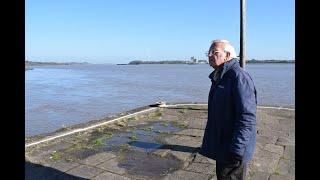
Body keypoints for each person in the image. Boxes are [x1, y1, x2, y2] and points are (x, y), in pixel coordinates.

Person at [200, 39, 257, 180]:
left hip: (232, 148)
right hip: (224, 145)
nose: (210, 55)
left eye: (215, 52)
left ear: (228, 55)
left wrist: (237, 149)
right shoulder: (222, 75)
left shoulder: (238, 77)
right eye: (209, 52)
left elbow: (247, 116)